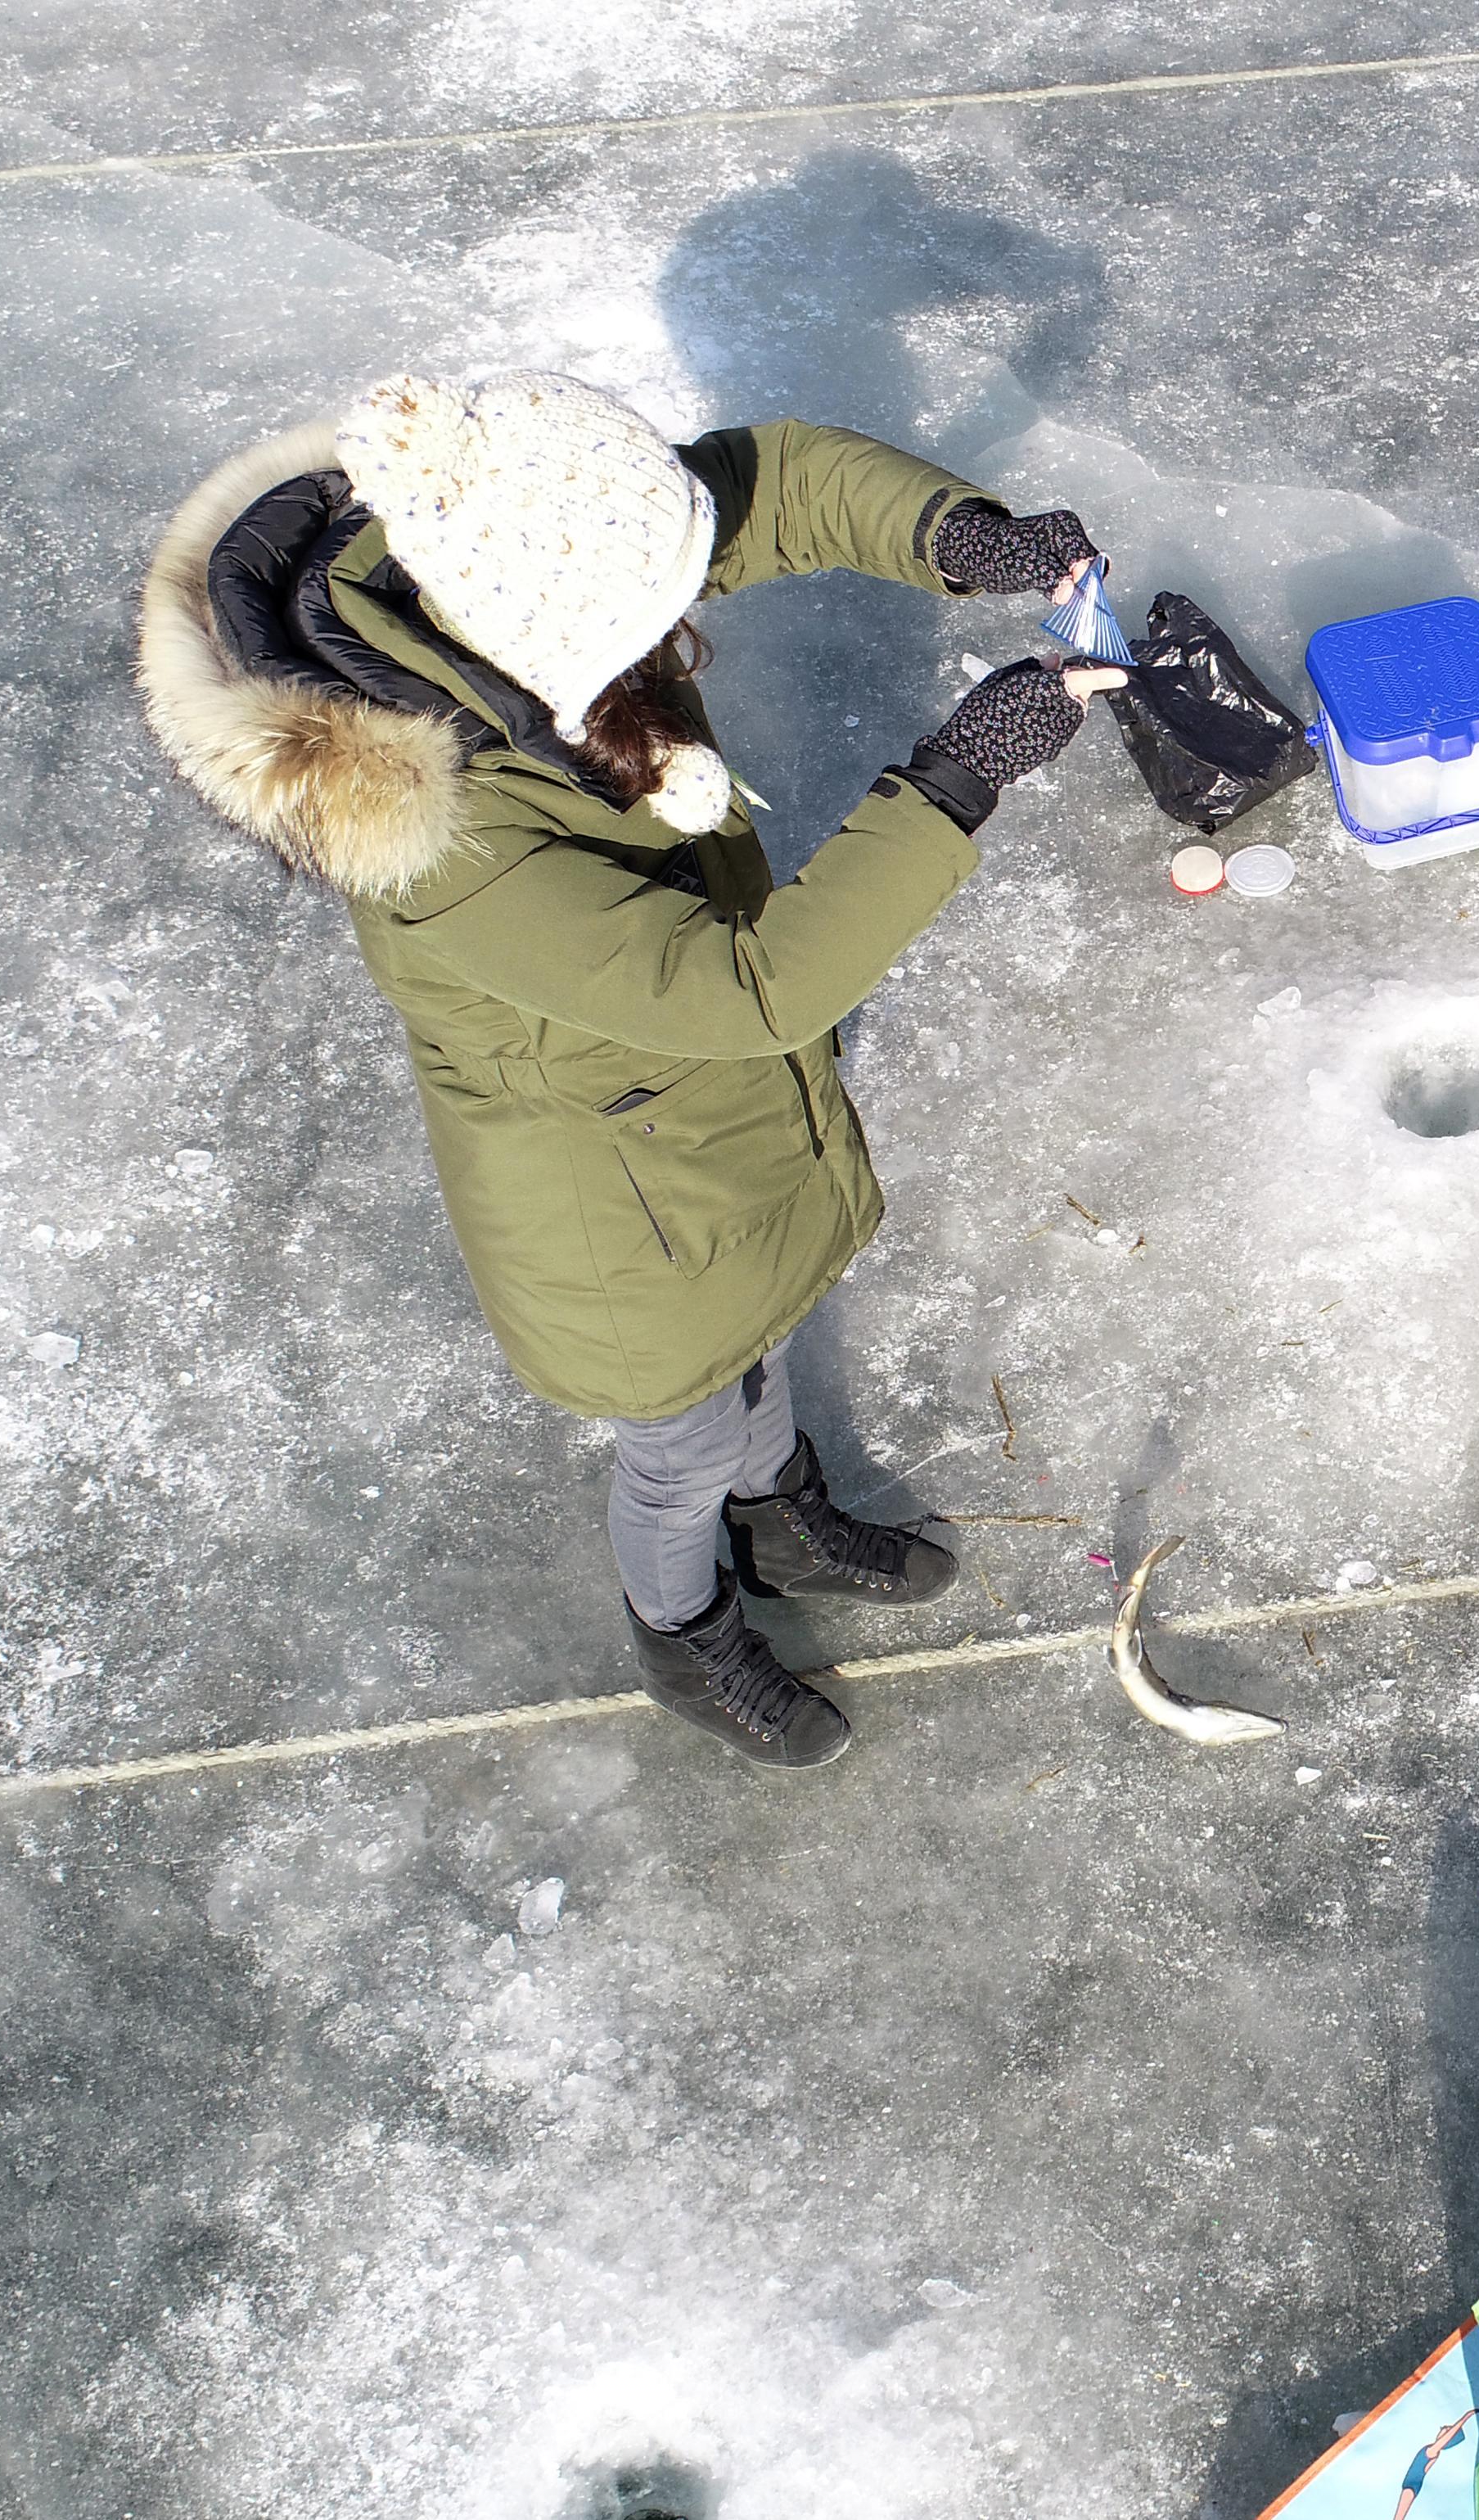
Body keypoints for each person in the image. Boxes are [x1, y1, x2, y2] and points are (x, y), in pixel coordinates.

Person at [138, 370, 1121, 1770]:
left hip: (701, 1134)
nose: (688, 618)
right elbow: (745, 985)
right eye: (663, 611)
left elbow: (768, 481)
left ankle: (781, 1516)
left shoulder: (503, 538)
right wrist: (961, 772)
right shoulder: (449, 849)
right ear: (561, 641)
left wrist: (955, 534)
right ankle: (684, 1629)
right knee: (675, 1450)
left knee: (757, 1334)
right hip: (612, 1212)